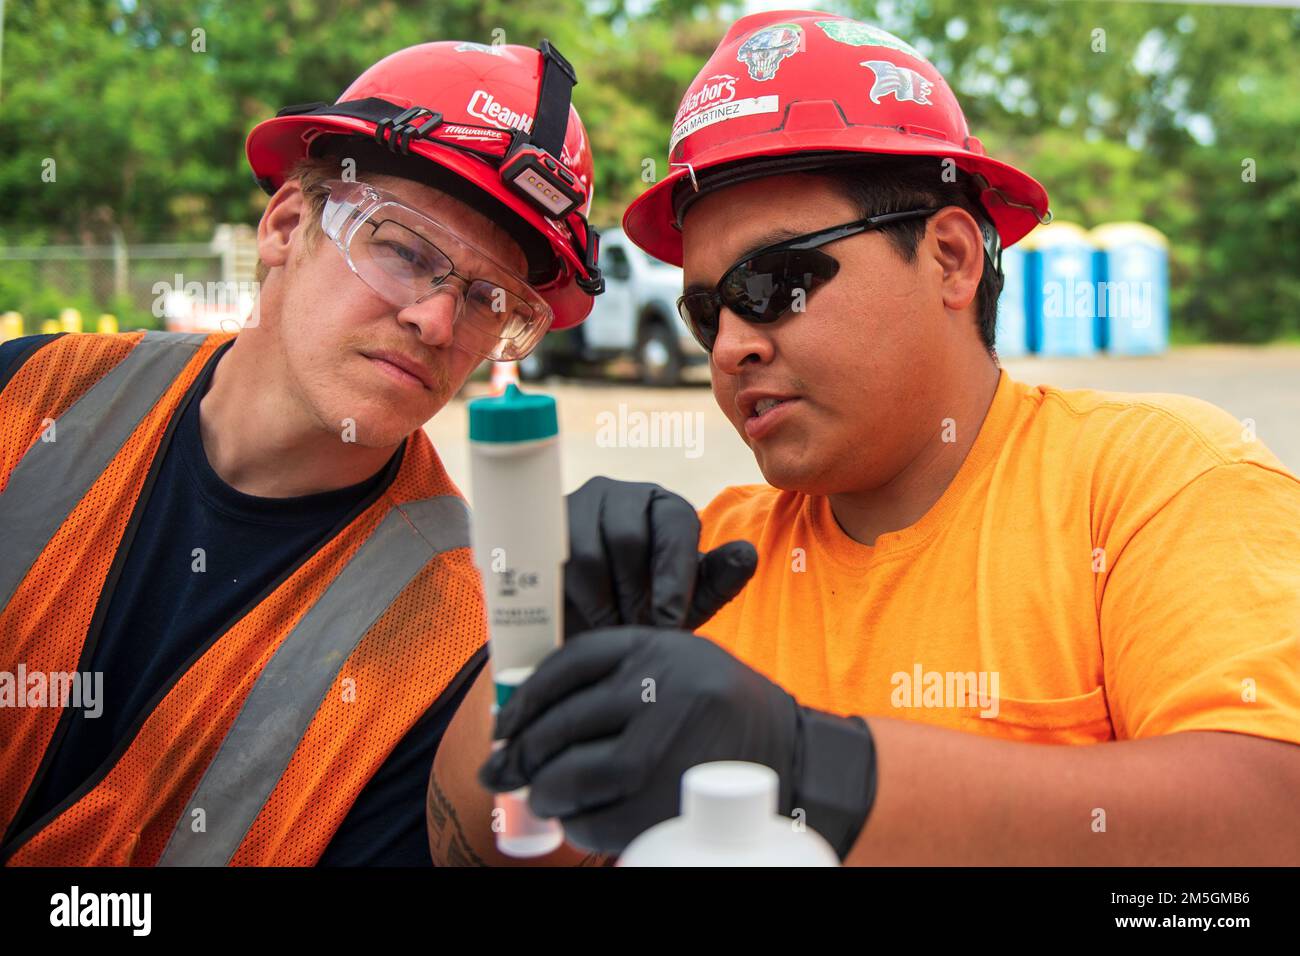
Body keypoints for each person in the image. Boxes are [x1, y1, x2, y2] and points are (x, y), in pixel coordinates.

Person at [458, 11, 1300, 865]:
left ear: (950, 258)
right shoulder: (710, 566)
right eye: (705, 311)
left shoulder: (1157, 484)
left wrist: (810, 770)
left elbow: (1270, 814)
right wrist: (533, 646)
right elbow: (490, 846)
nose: (729, 347)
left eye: (774, 282)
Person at [0, 37, 738, 866]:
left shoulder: (452, 640)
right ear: (285, 225)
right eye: (405, 251)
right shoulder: (30, 399)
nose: (437, 321)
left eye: (491, 297)